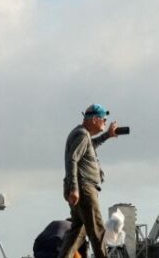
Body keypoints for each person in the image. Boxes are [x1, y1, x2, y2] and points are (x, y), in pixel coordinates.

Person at [58, 104, 119, 258]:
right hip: (84, 188)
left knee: (78, 231)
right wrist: (75, 188)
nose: (105, 123)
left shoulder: (82, 135)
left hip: (80, 188)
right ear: (95, 119)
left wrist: (107, 135)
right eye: (104, 120)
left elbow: (91, 146)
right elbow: (72, 159)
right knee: (97, 232)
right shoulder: (82, 135)